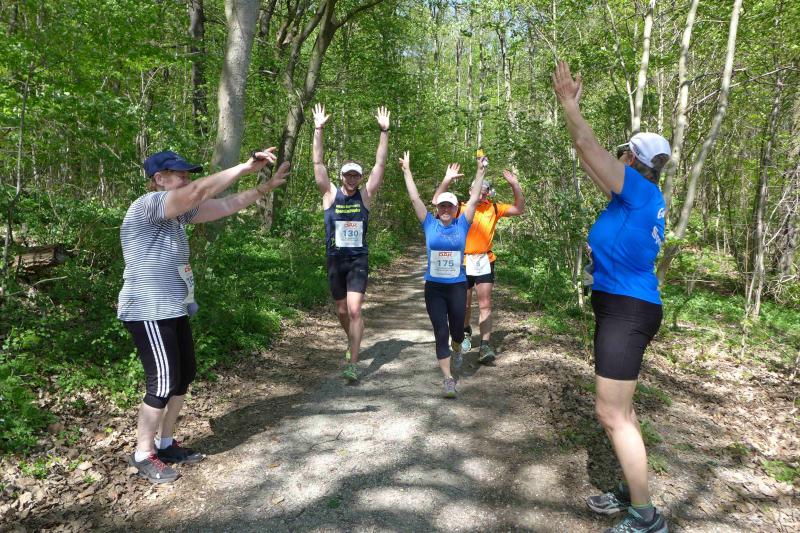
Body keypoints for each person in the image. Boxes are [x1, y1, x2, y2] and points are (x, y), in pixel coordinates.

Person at [118, 148, 290, 483]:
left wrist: (264, 188)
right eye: (180, 175)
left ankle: (166, 443)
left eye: (188, 175)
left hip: (172, 307)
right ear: (159, 179)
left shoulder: (178, 215)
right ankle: (142, 453)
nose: (187, 180)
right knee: (163, 381)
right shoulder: (148, 205)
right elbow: (199, 192)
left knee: (183, 376)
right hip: (147, 308)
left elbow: (225, 205)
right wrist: (244, 167)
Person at [553, 61, 670, 533]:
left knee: (610, 412)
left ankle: (646, 517)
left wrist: (569, 105)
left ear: (632, 159)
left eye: (622, 152)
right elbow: (587, 158)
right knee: (624, 410)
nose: (615, 157)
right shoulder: (635, 197)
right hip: (623, 306)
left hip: (627, 309)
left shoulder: (637, 190)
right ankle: (631, 487)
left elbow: (588, 148)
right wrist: (572, 121)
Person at [312, 103, 390, 382]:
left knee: (355, 310)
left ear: (360, 177)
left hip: (358, 259)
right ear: (342, 176)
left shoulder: (365, 195)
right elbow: (318, 164)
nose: (352, 178)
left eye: (356, 175)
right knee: (342, 311)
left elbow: (380, 165)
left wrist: (384, 132)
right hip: (335, 259)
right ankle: (353, 340)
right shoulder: (330, 194)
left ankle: (353, 364)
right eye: (348, 174)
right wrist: (318, 129)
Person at [400, 151, 485, 397]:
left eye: (450, 206)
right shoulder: (429, 224)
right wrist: (407, 171)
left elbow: (474, 199)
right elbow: (414, 198)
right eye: (442, 206)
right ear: (437, 209)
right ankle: (448, 379)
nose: (446, 209)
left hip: (457, 286)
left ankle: (457, 347)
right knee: (441, 331)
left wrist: (480, 171)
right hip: (434, 288)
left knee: (457, 331)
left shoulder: (462, 224)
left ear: (456, 209)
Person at [432, 166, 525, 362]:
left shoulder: (494, 208)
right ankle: (465, 331)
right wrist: (447, 179)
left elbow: (519, 209)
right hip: (463, 261)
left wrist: (515, 185)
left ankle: (485, 346)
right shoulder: (460, 208)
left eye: (485, 192)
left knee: (485, 304)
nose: (481, 195)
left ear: (489, 192)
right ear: (471, 191)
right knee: (463, 303)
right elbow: (436, 202)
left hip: (485, 260)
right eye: (478, 191)